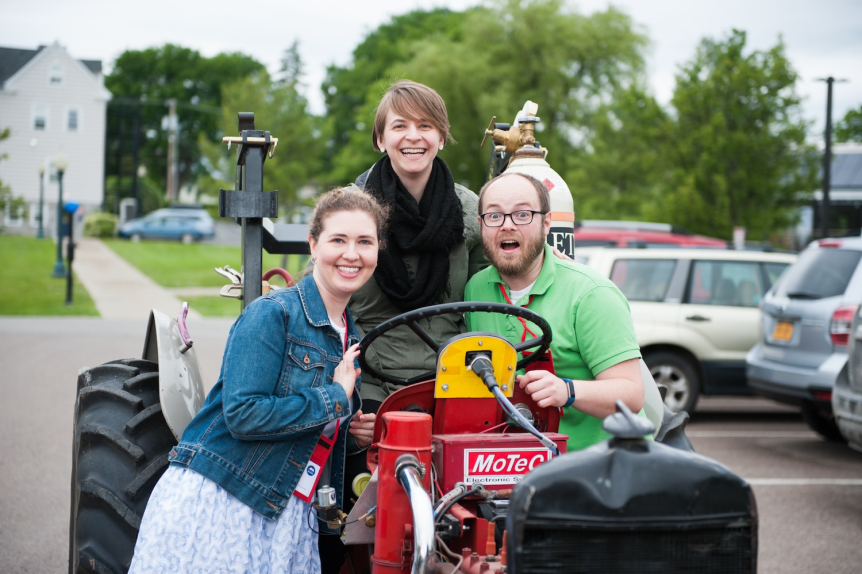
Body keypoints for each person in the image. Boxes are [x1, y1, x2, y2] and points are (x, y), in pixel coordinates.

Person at [128, 187, 389, 574]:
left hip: (286, 513)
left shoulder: (349, 333)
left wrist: (351, 429)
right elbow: (243, 415)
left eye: (364, 242)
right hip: (228, 500)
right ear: (313, 246)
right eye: (339, 240)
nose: (352, 254)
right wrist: (334, 398)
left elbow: (306, 433)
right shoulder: (273, 314)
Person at [319, 79, 486, 573]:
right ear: (380, 138)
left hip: (452, 383)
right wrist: (347, 418)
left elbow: (487, 302)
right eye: (400, 126)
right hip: (368, 385)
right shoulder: (352, 210)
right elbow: (327, 312)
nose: (413, 137)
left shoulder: (471, 212)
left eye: (425, 125)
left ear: (441, 136)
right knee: (339, 512)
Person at [464, 172, 645, 451]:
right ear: (481, 225)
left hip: (600, 466)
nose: (507, 226)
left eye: (522, 214)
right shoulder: (475, 291)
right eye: (494, 216)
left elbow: (632, 395)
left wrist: (567, 390)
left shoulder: (591, 294)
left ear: (546, 223)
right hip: (515, 463)